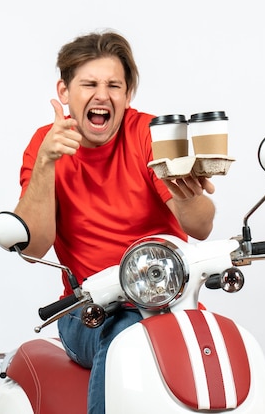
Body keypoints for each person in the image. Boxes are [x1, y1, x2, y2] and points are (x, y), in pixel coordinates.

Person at [13, 30, 216, 414]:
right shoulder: (45, 146)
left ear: (128, 95)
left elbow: (201, 227)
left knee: (213, 341)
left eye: (114, 85)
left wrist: (187, 191)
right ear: (64, 90)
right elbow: (34, 248)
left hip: (165, 302)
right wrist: (45, 164)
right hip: (87, 311)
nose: (102, 95)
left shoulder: (150, 134)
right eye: (89, 83)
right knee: (127, 337)